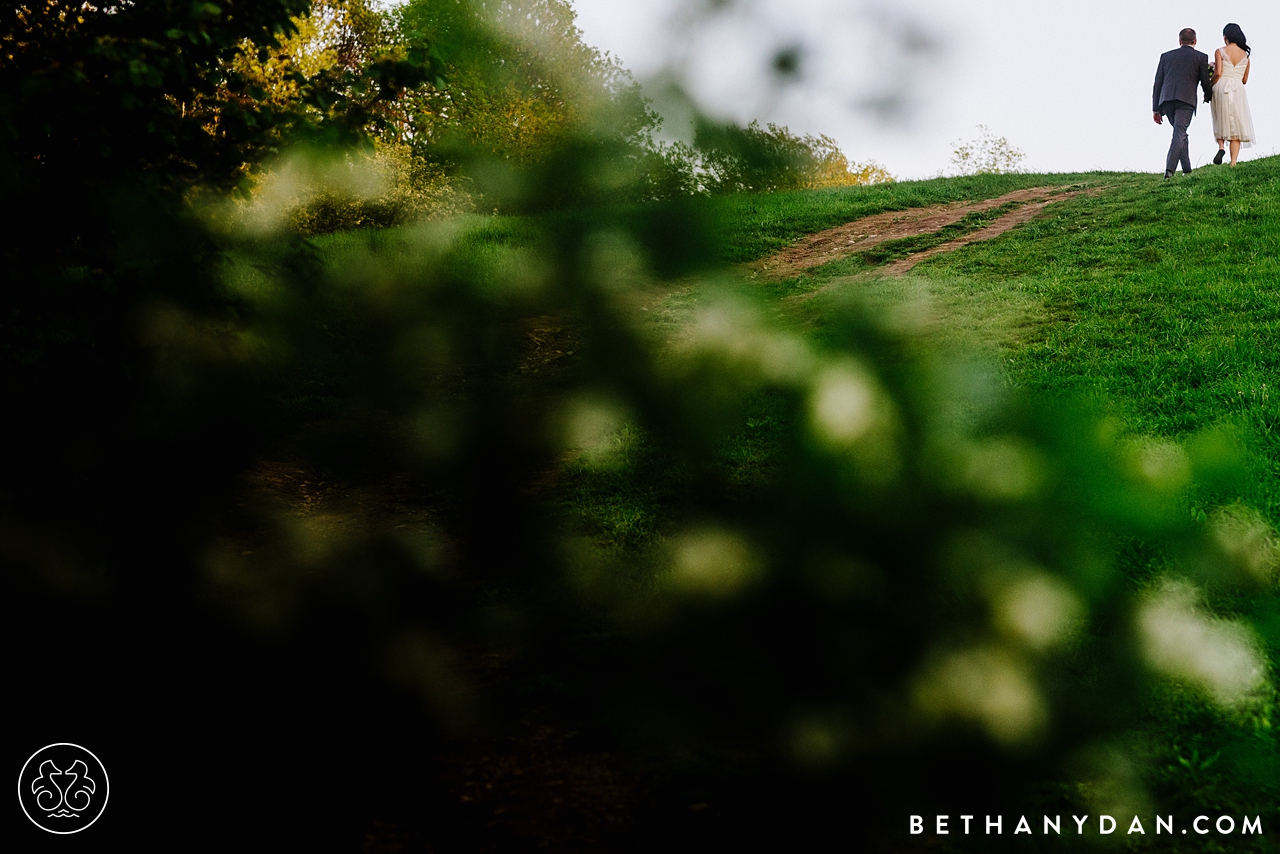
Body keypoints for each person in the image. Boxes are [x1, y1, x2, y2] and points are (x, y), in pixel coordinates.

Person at [1152, 28, 1213, 179]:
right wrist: (1209, 95)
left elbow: (1157, 83)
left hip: (1166, 100)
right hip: (1186, 100)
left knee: (1180, 132)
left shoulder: (1166, 56)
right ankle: (1169, 171)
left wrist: (1155, 108)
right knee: (1179, 132)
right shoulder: (1201, 57)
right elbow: (1205, 82)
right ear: (1195, 41)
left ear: (1180, 41)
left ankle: (1187, 169)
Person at [1211, 23, 1255, 166]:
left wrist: (1209, 83)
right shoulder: (1246, 56)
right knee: (1236, 124)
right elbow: (1244, 80)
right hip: (1238, 88)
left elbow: (1217, 73)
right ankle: (1233, 162)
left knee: (1220, 118)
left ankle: (1221, 147)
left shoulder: (1220, 51)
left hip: (1222, 86)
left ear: (1226, 37)